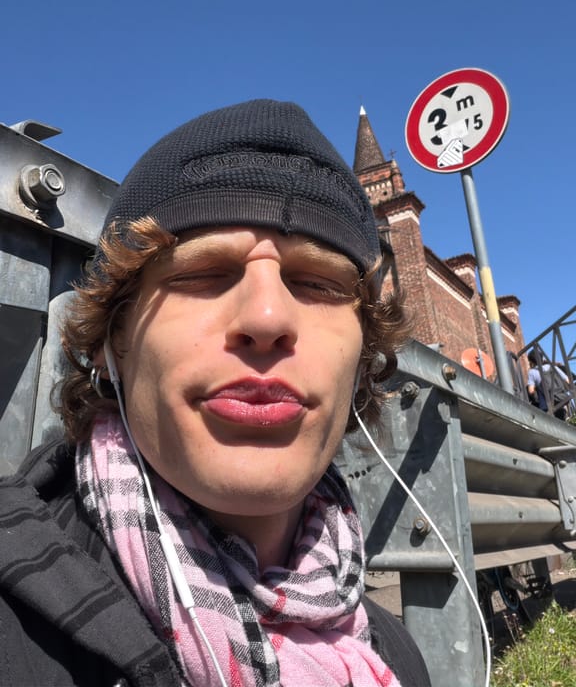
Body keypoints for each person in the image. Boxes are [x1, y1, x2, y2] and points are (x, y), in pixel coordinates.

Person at [0, 99, 431, 687]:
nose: (268, 316)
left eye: (318, 283)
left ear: (361, 361)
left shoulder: (395, 655)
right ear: (110, 342)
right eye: (202, 273)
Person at [526, 351, 569, 420]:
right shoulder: (552, 367)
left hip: (546, 407)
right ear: (542, 358)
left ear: (531, 361)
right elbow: (567, 380)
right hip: (561, 401)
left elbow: (531, 391)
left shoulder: (532, 372)